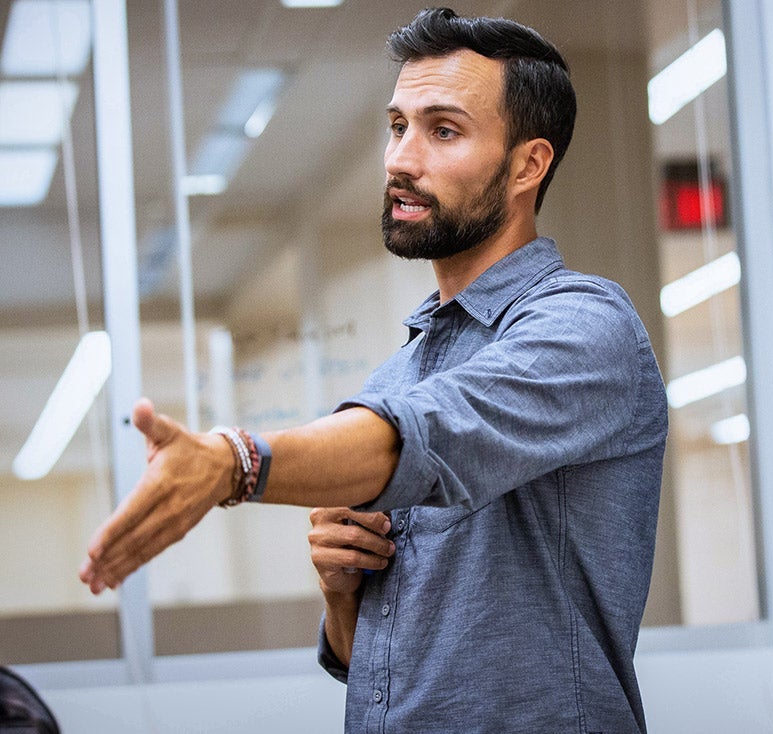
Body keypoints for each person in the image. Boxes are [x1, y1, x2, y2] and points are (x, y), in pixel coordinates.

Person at [80, 7, 667, 733]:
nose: (399, 160)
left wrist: (234, 462)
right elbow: (377, 669)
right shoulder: (396, 377)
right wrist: (340, 594)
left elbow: (434, 434)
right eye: (397, 126)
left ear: (528, 164)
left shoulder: (584, 326)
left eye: (442, 130)